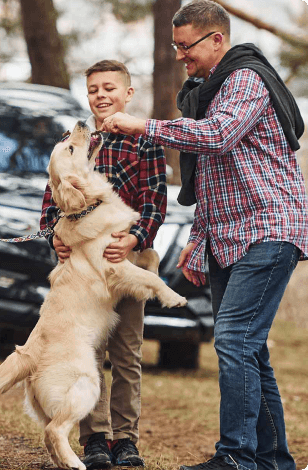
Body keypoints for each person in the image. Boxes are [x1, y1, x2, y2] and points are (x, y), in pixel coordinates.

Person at [102, 2, 308, 470]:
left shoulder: (246, 80)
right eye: (175, 46)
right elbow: (217, 173)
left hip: (268, 227)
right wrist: (201, 238)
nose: (179, 56)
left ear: (217, 40)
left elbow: (217, 136)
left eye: (186, 45)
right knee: (249, 348)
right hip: (228, 232)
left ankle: (235, 456)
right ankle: (273, 460)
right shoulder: (207, 89)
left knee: (233, 339)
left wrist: (144, 125)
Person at [40, 60, 167, 470]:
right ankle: (95, 438)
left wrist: (135, 238)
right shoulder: (73, 143)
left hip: (128, 261)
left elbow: (154, 200)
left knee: (127, 353)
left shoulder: (145, 142)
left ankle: (125, 440)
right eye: (94, 89)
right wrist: (54, 236)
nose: (101, 95)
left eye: (109, 88)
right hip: (82, 270)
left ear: (128, 93)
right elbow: (51, 198)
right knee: (88, 351)